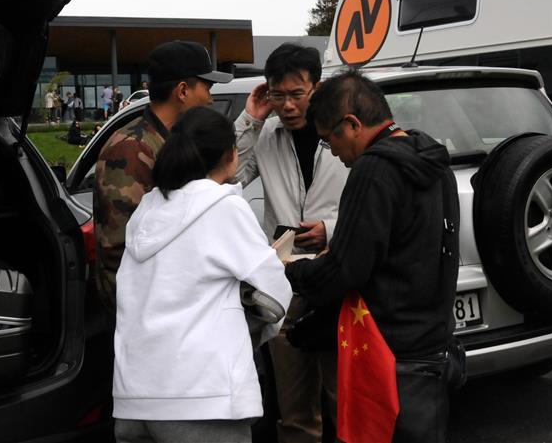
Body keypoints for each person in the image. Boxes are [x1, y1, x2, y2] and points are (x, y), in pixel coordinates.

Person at [286, 70, 459, 443]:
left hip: (386, 353)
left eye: (329, 139)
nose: (331, 151)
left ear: (352, 124)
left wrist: (292, 271)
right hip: (432, 347)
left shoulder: (374, 168)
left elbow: (346, 269)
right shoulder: (431, 158)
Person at [113, 107, 292, 443]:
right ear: (230, 154)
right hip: (202, 399)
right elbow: (273, 296)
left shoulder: (147, 209)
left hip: (134, 400)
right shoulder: (223, 206)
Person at [234, 43, 348, 443]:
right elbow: (229, 178)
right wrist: (250, 118)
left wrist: (330, 230)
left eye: (296, 94)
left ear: (316, 88)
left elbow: (373, 201)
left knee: (344, 401)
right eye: (277, 95)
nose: (286, 105)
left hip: (337, 278)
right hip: (284, 282)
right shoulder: (266, 131)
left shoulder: (343, 132)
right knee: (294, 409)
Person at [93, 40, 232, 315]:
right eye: (207, 87)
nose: (211, 99)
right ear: (182, 91)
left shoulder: (169, 142)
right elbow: (119, 249)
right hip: (143, 311)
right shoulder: (131, 150)